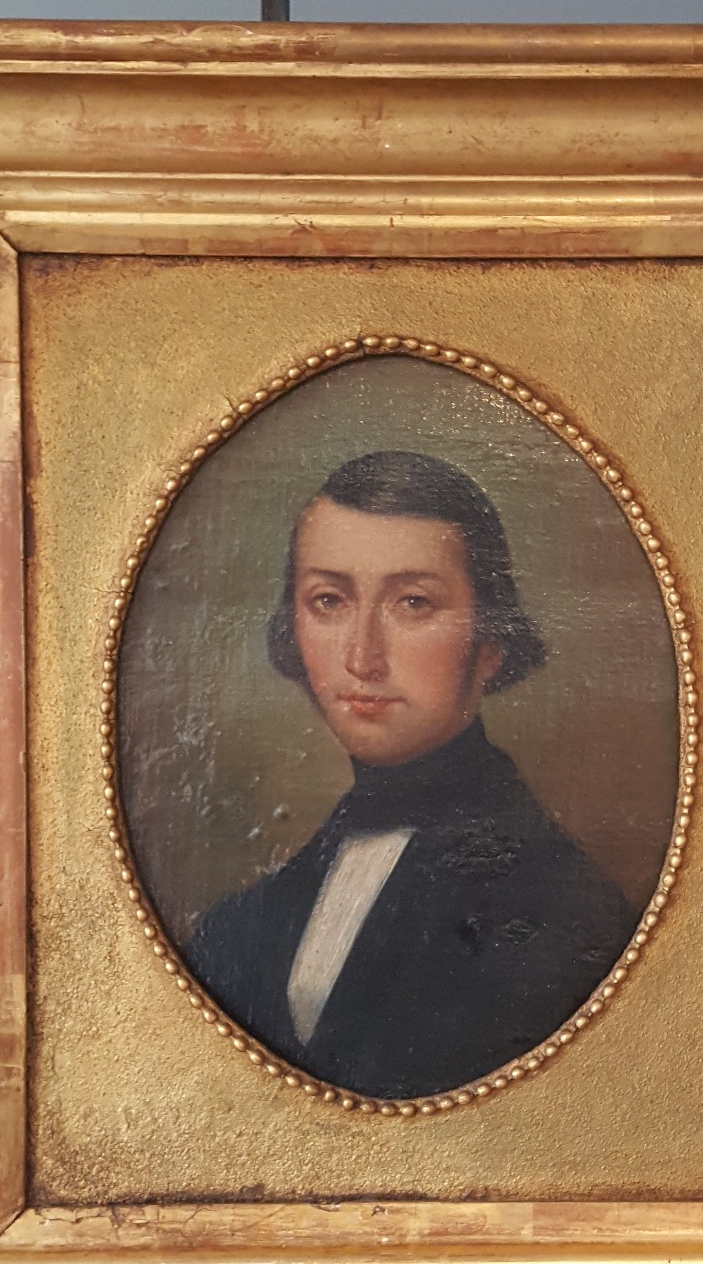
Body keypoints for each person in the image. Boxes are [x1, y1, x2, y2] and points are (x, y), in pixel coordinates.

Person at [185, 451, 634, 1100]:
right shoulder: (236, 927)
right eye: (329, 601)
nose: (362, 657)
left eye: (413, 603)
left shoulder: (568, 918)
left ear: (490, 643)